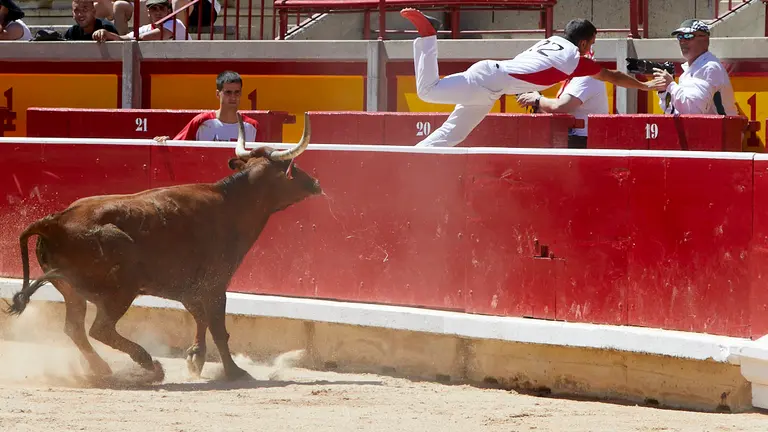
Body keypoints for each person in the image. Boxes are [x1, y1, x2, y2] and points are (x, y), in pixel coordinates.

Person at [399, 8, 664, 148]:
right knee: (427, 91)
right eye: (591, 43)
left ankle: (413, 157)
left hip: (490, 87)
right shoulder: (573, 59)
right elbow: (611, 75)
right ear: (583, 43)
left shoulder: (552, 42)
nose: (591, 49)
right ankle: (428, 35)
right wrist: (643, 85)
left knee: (452, 133)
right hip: (487, 80)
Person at [516, 50, 609, 149]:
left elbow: (561, 106)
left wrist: (537, 100)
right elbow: (565, 110)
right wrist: (538, 105)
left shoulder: (586, 77)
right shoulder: (574, 79)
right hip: (578, 138)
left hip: (584, 140)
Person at [651, 19, 737, 116]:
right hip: (708, 129)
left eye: (688, 36)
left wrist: (671, 85)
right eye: (680, 37)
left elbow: (693, 112)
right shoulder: (689, 71)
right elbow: (675, 113)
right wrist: (663, 92)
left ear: (705, 39)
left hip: (723, 130)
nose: (682, 41)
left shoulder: (709, 68)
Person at [155, 71, 258, 143]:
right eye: (228, 92)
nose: (233, 97)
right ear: (218, 94)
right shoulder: (201, 122)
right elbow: (178, 148)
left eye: (237, 92)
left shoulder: (252, 126)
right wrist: (166, 142)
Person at [93, 0, 188, 41]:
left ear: (168, 11)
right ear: (148, 13)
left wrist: (123, 39)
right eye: (154, 9)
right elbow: (123, 38)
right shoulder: (146, 28)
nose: (158, 12)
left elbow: (148, 37)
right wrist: (106, 33)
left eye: (161, 8)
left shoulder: (176, 23)